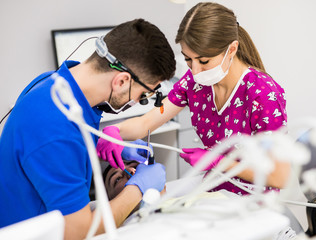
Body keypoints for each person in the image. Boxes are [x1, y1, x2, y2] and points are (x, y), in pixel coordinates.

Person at [0, 18, 176, 239]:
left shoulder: (58, 85)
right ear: (121, 81)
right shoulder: (55, 129)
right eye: (144, 94)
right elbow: (79, 232)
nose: (138, 101)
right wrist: (137, 189)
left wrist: (98, 145)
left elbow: (48, 152)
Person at [97, 2, 290, 196]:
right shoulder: (194, 82)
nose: (195, 70)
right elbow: (148, 121)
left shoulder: (263, 94)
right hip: (215, 190)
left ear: (231, 50)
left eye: (204, 61)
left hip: (254, 201)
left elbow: (279, 177)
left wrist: (217, 161)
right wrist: (115, 131)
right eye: (188, 59)